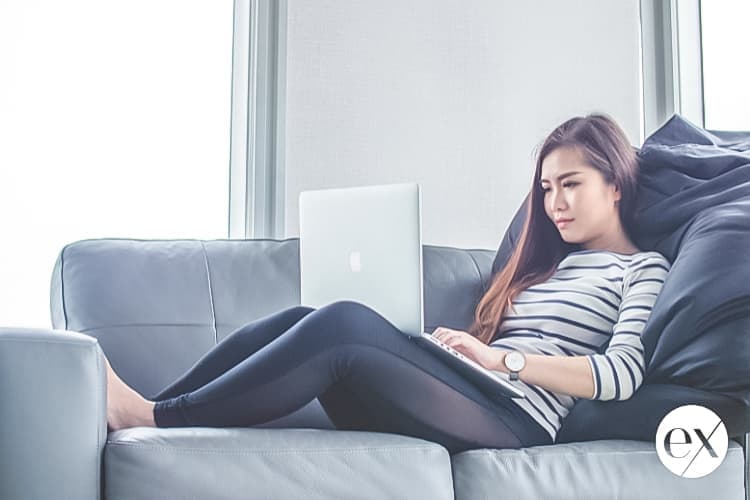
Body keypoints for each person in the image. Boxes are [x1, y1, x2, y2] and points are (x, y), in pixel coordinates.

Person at [105, 112, 671, 453]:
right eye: (545, 189)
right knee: (306, 318)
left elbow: (620, 376)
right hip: (473, 392)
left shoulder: (642, 268)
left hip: (519, 421)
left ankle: (152, 418)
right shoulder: (545, 266)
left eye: (569, 184)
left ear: (615, 184)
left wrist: (503, 361)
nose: (554, 204)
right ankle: (155, 407)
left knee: (345, 324)